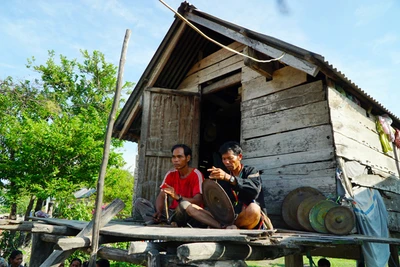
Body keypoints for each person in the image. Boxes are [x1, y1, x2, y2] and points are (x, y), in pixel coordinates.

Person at [185, 141, 272, 229]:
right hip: (228, 219)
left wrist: (229, 178)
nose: (226, 162)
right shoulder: (223, 176)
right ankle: (223, 227)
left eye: (230, 158)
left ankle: (235, 227)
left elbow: (254, 191)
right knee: (191, 208)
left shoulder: (251, 171)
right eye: (224, 159)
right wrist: (213, 184)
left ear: (240, 157)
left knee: (254, 208)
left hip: (246, 218)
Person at [134, 144, 204, 227]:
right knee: (139, 202)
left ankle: (165, 223)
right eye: (173, 157)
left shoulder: (196, 174)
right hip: (172, 213)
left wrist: (178, 197)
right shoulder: (170, 174)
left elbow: (198, 200)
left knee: (182, 206)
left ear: (188, 158)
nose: (176, 160)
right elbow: (161, 195)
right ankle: (160, 220)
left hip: (188, 213)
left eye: (179, 157)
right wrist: (159, 212)